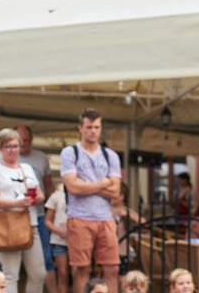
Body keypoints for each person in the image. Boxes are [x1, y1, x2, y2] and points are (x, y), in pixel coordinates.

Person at [60, 108, 121, 293]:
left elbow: (116, 191)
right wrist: (103, 182)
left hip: (105, 218)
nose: (93, 131)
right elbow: (73, 188)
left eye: (96, 127)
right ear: (80, 128)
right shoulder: (70, 153)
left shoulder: (110, 155)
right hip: (79, 217)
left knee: (112, 267)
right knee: (81, 269)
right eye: (89, 127)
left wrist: (85, 185)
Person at [0, 128, 47, 293]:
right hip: (7, 224)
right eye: (8, 146)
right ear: (0, 148)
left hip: (30, 222)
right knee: (11, 275)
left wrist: (37, 198)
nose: (12, 150)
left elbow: (39, 192)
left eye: (15, 146)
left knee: (39, 273)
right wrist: (16, 202)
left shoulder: (26, 168)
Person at [16, 126, 56, 293]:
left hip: (38, 216)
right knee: (12, 266)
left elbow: (48, 186)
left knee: (45, 261)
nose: (23, 143)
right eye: (20, 140)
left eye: (27, 140)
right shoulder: (2, 161)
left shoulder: (41, 158)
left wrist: (48, 206)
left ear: (31, 140)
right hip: (14, 218)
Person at [111, 183, 145, 283]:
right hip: (107, 248)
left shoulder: (125, 210)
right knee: (109, 275)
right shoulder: (105, 210)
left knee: (122, 276)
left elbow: (143, 222)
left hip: (121, 249)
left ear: (122, 196)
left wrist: (128, 215)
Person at [44, 186, 69, 293]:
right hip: (58, 240)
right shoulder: (56, 196)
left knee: (77, 272)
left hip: (77, 241)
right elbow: (47, 221)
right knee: (62, 273)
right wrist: (59, 231)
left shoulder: (82, 195)